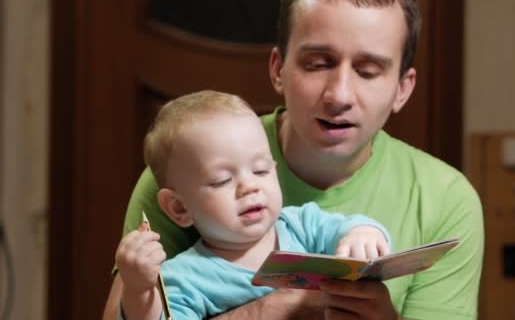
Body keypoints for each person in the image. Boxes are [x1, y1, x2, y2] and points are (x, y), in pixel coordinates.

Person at [103, 0, 484, 319]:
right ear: (277, 69)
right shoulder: (189, 167)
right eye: (318, 64)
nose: (339, 95)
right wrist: (273, 310)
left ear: (403, 89)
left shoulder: (445, 200)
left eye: (368, 71)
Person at [115, 90, 391, 319]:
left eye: (260, 170)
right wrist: (139, 291)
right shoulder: (187, 277)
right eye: (222, 180)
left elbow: (348, 227)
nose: (250, 186)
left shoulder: (300, 226)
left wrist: (363, 235)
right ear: (179, 208)